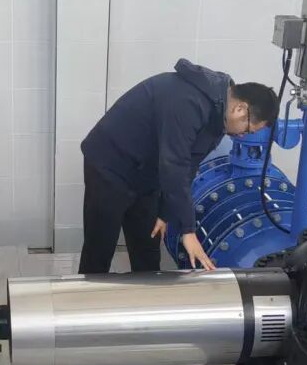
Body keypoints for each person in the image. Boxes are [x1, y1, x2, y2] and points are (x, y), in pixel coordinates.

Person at [78, 59, 279, 274]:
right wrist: (188, 231)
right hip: (110, 165)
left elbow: (189, 166)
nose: (243, 135)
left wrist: (165, 212)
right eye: (247, 129)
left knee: (148, 247)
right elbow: (174, 164)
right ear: (240, 109)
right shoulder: (188, 102)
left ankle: (148, 292)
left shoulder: (217, 115)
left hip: (147, 173)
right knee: (100, 248)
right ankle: (86, 292)